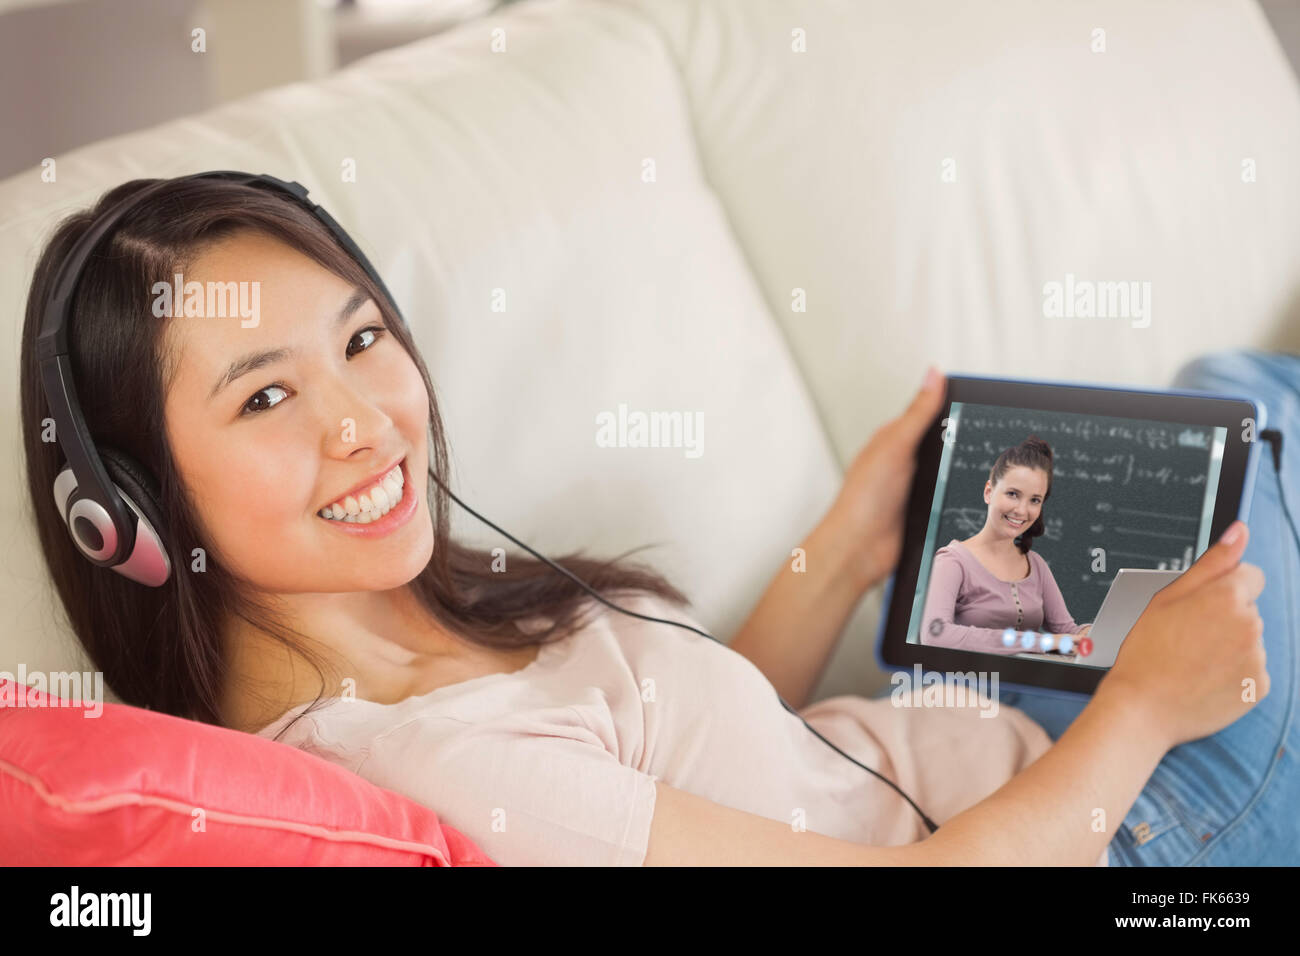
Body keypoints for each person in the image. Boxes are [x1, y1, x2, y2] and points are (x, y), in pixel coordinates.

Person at [19, 176, 1295, 866]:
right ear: (125, 512)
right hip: (1125, 826)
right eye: (268, 394)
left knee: (1221, 414)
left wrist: (845, 544)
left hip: (1022, 748)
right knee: (1243, 402)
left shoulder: (421, 629)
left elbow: (704, 759)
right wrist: (1144, 709)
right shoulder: (430, 764)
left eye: (362, 338)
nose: (364, 421)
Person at [920, 436, 1093, 658]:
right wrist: (1043, 641)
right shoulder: (952, 561)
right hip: (968, 683)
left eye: (1035, 500)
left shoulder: (1036, 565)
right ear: (989, 492)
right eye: (1013, 494)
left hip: (1026, 685)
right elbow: (936, 634)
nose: (1022, 511)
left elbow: (1066, 631)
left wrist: (1090, 634)